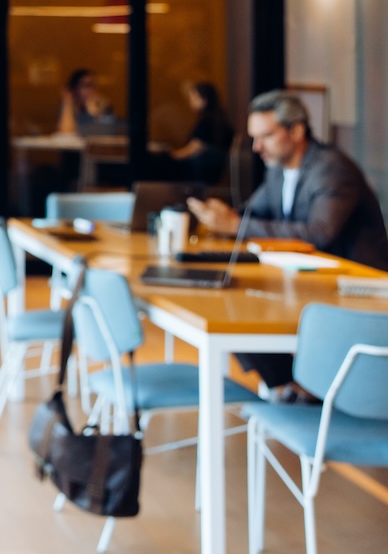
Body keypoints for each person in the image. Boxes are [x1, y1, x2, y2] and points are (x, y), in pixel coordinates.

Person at [189, 89, 388, 392]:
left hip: (356, 289)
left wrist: (237, 224)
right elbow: (254, 214)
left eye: (266, 136)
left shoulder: (331, 169)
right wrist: (226, 216)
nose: (257, 147)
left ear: (296, 131)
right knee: (238, 313)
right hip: (311, 283)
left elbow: (320, 232)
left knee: (246, 317)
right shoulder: (279, 170)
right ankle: (291, 389)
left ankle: (301, 391)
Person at [153, 81, 234, 184]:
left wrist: (173, 155)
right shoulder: (219, 122)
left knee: (158, 162)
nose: (191, 101)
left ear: (204, 100)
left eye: (194, 97)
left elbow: (195, 147)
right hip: (209, 172)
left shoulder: (206, 122)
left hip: (199, 172)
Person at [55, 68, 118, 137]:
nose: (91, 90)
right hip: (73, 146)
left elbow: (106, 132)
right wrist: (67, 102)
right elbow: (65, 133)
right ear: (74, 88)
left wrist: (94, 113)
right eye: (86, 85)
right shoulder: (68, 104)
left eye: (93, 85)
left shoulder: (103, 104)